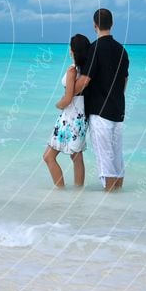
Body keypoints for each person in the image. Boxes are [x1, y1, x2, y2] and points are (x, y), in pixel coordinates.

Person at [74, 8, 129, 192]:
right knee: (117, 160)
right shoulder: (122, 50)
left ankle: (110, 209)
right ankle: (117, 200)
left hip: (100, 113)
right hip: (118, 110)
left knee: (105, 162)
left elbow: (85, 80)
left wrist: (68, 95)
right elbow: (124, 82)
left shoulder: (94, 48)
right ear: (112, 24)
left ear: (94, 25)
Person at [43, 34, 91, 188]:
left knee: (48, 157)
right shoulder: (85, 71)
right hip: (80, 115)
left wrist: (58, 104)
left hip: (69, 116)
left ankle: (60, 191)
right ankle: (77, 193)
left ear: (73, 50)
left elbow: (68, 98)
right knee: (76, 157)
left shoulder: (72, 71)